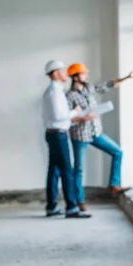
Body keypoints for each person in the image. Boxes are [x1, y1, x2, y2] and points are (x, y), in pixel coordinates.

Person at [66, 63, 133, 211]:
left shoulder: (89, 88)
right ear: (75, 77)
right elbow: (65, 119)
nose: (86, 76)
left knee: (117, 151)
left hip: (95, 133)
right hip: (80, 136)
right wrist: (81, 119)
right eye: (83, 74)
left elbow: (108, 84)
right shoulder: (69, 96)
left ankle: (114, 185)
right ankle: (79, 201)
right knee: (78, 169)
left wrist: (127, 78)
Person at [42, 60, 91, 218]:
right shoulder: (55, 92)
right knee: (66, 171)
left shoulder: (53, 90)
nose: (66, 73)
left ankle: (51, 207)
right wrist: (75, 112)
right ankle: (72, 207)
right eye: (63, 70)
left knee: (54, 171)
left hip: (54, 133)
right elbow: (59, 116)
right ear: (55, 74)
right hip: (58, 134)